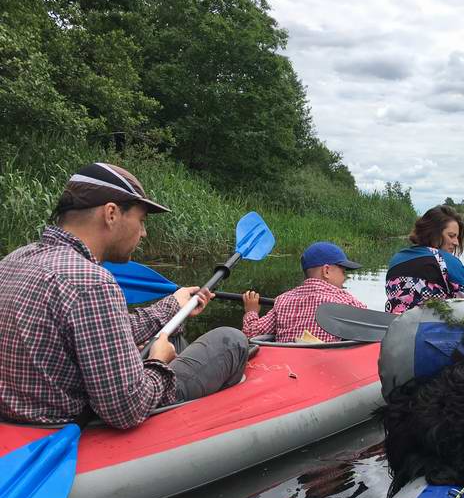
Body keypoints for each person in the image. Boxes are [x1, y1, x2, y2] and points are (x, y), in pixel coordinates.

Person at [0, 163, 249, 430]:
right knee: (232, 341)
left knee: (172, 333)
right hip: (66, 425)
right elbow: (126, 409)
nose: (143, 233)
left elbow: (96, 330)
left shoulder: (13, 259)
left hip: (20, 416)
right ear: (111, 214)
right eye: (141, 221)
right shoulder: (93, 282)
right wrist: (158, 362)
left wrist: (172, 306)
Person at [241, 241, 367, 342]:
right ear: (326, 271)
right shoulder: (343, 299)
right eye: (343, 272)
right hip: (323, 364)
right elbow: (367, 323)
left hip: (286, 364)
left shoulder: (282, 300)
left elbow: (251, 333)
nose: (344, 277)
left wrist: (251, 311)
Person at [385, 205, 464, 314]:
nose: (456, 242)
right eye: (451, 236)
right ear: (433, 233)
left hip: (397, 324)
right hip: (434, 327)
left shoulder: (397, 258)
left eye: (457, 237)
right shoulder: (445, 260)